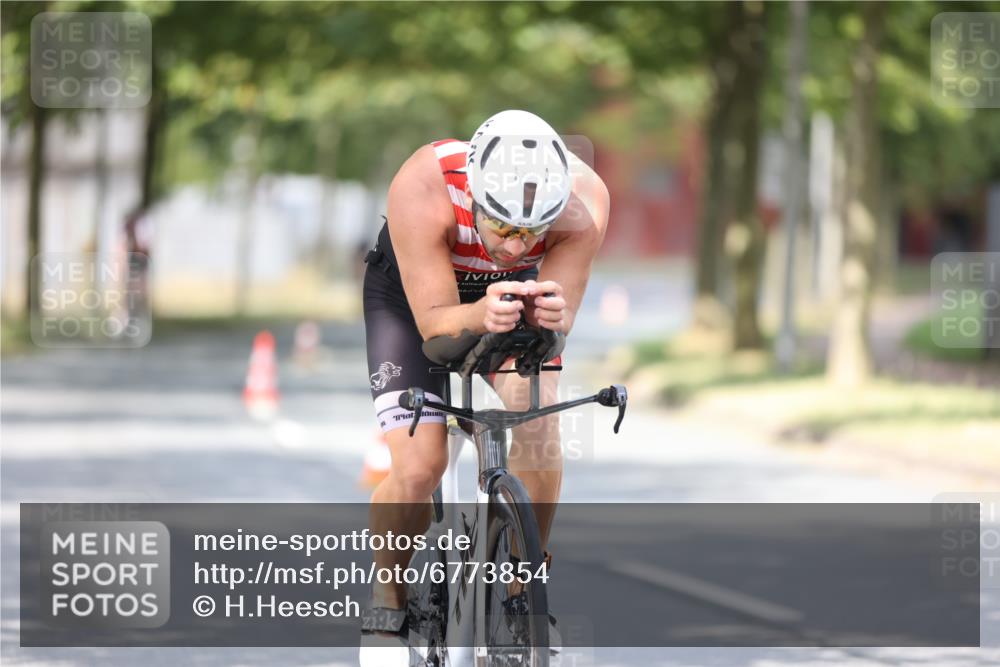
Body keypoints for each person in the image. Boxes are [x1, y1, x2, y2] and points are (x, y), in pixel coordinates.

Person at [360, 110, 610, 663]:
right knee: (420, 467)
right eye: (502, 226)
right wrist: (476, 312)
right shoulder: (424, 183)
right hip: (415, 301)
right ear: (474, 195)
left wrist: (549, 317)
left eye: (532, 232)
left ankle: (524, 601)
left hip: (513, 303)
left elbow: (556, 323)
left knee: (541, 433)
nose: (517, 246)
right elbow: (434, 326)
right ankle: (389, 596)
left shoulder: (584, 201)